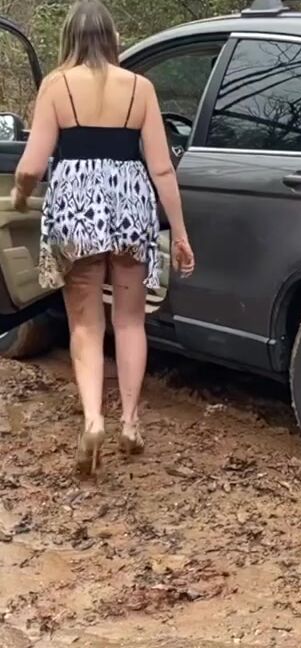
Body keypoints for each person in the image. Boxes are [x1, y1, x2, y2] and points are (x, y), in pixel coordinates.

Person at [10, 0, 195, 476]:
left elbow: (31, 164)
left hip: (76, 208)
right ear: (113, 39)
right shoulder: (141, 88)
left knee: (86, 325)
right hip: (131, 204)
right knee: (131, 321)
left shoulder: (56, 86)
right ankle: (130, 422)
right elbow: (160, 167)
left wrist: (20, 194)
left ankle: (94, 420)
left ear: (68, 38)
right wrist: (179, 231)